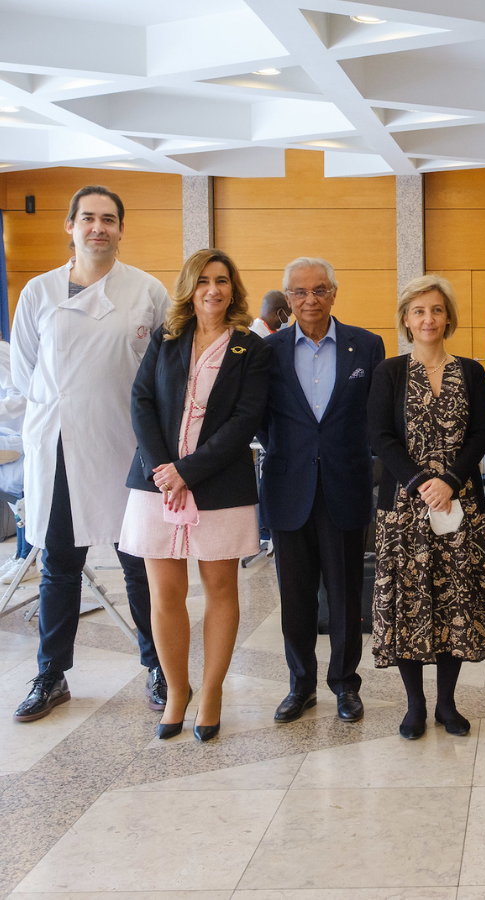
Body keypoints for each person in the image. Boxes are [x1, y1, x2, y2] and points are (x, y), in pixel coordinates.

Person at [10, 185, 168, 722]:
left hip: (126, 447)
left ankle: (158, 665)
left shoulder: (147, 292)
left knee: (138, 564)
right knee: (58, 565)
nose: (97, 227)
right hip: (58, 447)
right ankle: (51, 675)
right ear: (70, 226)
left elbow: (165, 376)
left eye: (108, 219)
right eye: (88, 218)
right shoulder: (38, 291)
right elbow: (25, 374)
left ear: (122, 229)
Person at [120, 249, 271, 742]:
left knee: (220, 591)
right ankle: (177, 691)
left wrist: (188, 471)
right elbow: (141, 400)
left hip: (219, 487)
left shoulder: (251, 347)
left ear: (233, 288)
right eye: (204, 280)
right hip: (156, 484)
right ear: (190, 286)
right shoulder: (166, 338)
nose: (213, 289)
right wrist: (163, 469)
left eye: (223, 280)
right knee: (165, 593)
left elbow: (244, 421)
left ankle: (211, 692)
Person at [368, 275, 485, 739]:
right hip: (405, 508)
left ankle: (447, 704)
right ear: (406, 319)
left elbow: (480, 432)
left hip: (459, 506)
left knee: (455, 604)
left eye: (437, 310)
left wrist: (448, 480)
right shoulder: (389, 372)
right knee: (408, 606)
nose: (429, 318)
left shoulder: (470, 371)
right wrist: (423, 481)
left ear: (449, 318)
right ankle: (415, 706)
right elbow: (380, 437)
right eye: (419, 311)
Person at [259, 256, 385, 725]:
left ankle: (345, 684)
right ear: (286, 298)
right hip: (288, 487)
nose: (309, 300)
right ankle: (301, 685)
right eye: (298, 292)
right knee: (296, 597)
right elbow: (255, 418)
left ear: (334, 292)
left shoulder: (366, 346)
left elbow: (376, 420)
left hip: (345, 487)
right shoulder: (266, 351)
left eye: (318, 290)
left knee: (347, 594)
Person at [0, 339, 31, 585]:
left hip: (18, 436)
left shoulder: (1, 351)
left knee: (24, 497)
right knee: (16, 498)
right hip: (9, 437)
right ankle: (20, 554)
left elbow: (19, 395)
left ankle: (27, 559)